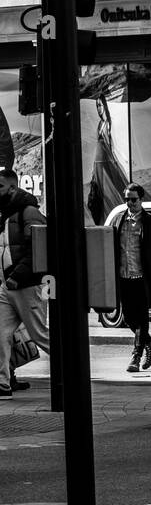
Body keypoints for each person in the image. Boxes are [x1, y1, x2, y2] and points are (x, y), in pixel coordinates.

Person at [0, 167, 51, 399]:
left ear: (12, 187)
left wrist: (16, 276)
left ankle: (69, 370)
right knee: (1, 335)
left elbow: (39, 249)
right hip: (7, 286)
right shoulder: (4, 213)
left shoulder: (28, 212)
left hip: (26, 286)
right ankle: (2, 383)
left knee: (40, 335)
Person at [116, 183, 151, 373]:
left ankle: (136, 356)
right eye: (127, 199)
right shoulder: (119, 221)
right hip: (123, 277)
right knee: (128, 317)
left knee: (141, 318)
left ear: (141, 200)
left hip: (142, 278)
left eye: (133, 199)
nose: (129, 203)